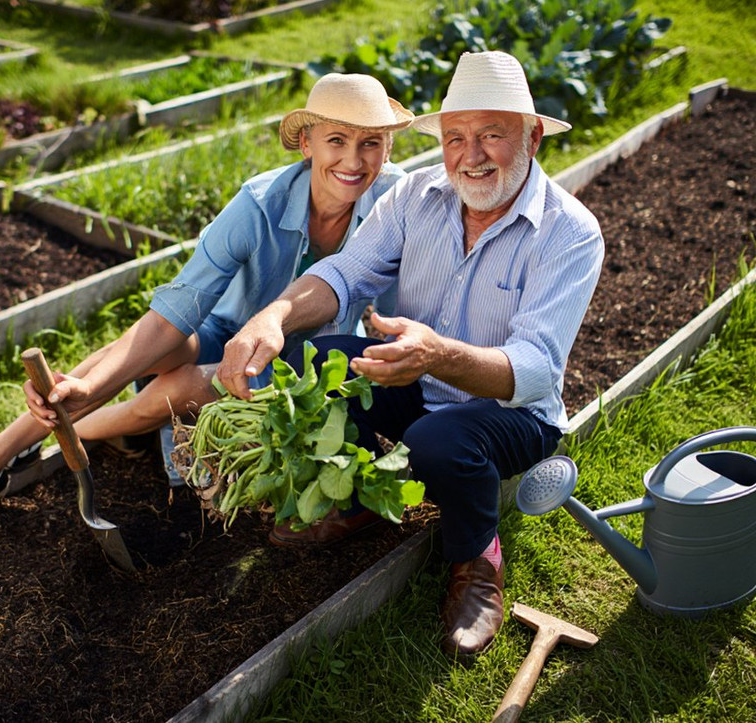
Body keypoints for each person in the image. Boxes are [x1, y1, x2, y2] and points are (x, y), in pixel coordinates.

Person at [216, 50, 605, 660]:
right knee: (316, 362)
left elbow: (532, 369)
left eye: (490, 136)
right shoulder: (417, 197)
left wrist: (438, 355)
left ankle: (477, 558)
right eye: (455, 138)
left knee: (440, 441)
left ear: (532, 137)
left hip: (509, 414)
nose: (469, 156)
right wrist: (274, 315)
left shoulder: (569, 232)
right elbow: (344, 274)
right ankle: (362, 497)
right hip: (415, 380)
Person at [0, 73, 414, 543]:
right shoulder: (259, 204)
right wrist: (89, 385)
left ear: (388, 148)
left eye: (370, 142)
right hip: (223, 329)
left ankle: (70, 432)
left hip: (300, 364)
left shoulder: (394, 206)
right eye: (337, 140)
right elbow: (176, 310)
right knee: (154, 350)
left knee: (171, 391)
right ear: (307, 144)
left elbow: (399, 312)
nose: (353, 160)